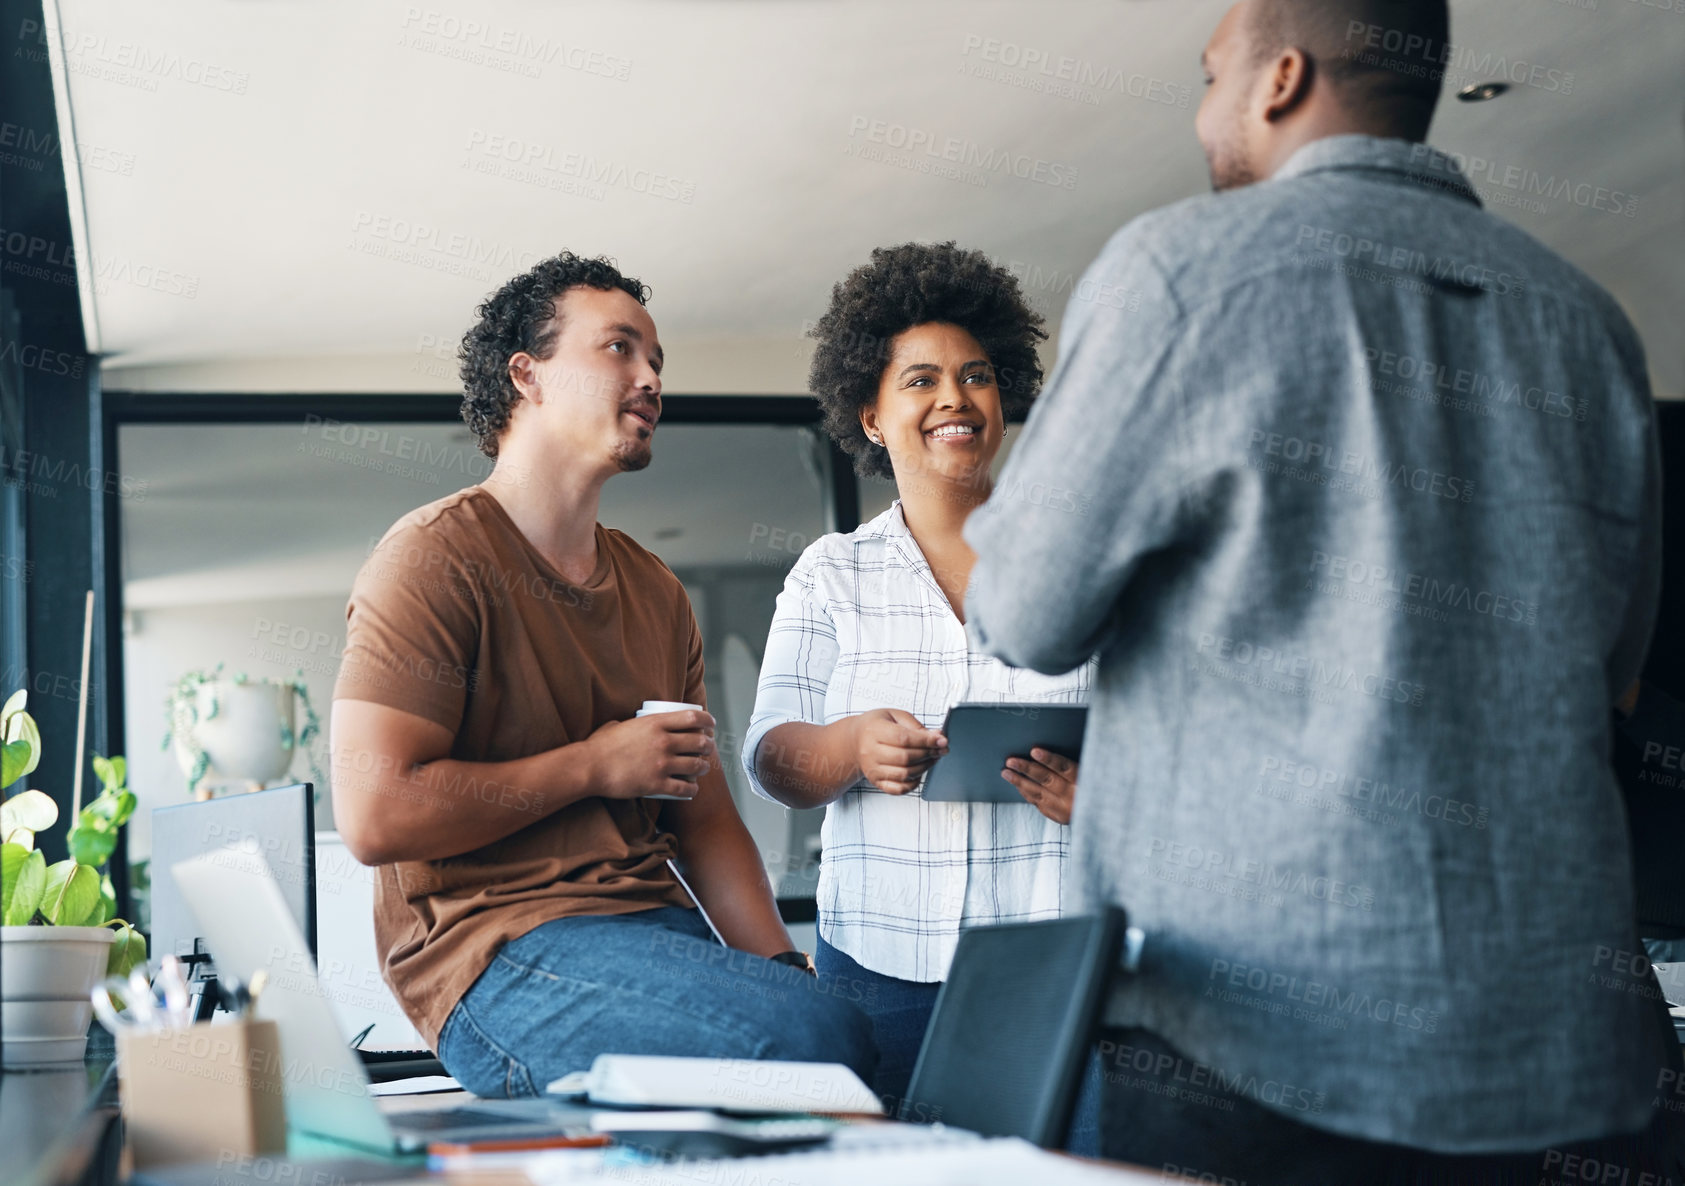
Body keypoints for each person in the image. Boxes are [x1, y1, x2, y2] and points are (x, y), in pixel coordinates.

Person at [962, 1, 1676, 1182]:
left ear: (1278, 77)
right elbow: (1610, 664)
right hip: (1551, 1046)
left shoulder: (1178, 272)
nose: (1200, 116)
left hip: (1250, 1033)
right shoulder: (1592, 330)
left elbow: (1027, 615)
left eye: (1207, 77)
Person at [330, 252, 875, 1097]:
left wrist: (775, 967)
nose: (650, 376)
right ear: (527, 376)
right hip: (496, 955)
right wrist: (594, 765)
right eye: (619, 348)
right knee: (814, 1039)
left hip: (652, 931)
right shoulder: (433, 557)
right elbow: (374, 812)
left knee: (830, 1027)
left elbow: (703, 823)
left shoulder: (655, 590)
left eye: (656, 359)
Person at [742, 241, 1094, 1120]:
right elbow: (770, 758)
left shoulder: (1081, 564)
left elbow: (1165, 744)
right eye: (920, 379)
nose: (954, 399)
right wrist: (850, 746)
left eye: (976, 376)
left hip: (1054, 959)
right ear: (868, 413)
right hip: (881, 967)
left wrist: (1102, 794)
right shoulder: (831, 573)